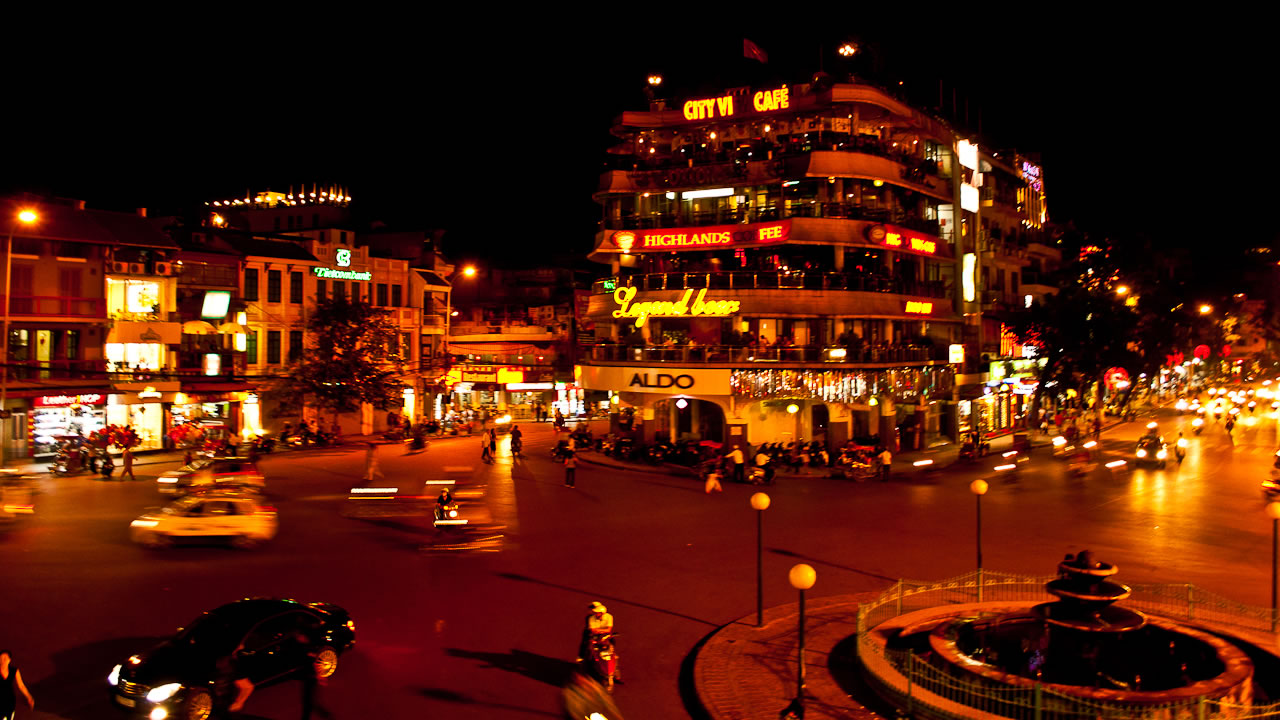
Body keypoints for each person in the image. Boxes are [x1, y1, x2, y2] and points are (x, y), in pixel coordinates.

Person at [0, 650, 35, 719]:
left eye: (5, 658)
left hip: (10, 700)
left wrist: (29, 697)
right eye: (0, 658)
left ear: (9, 660)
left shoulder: (14, 671)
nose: (2, 661)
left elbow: (21, 685)